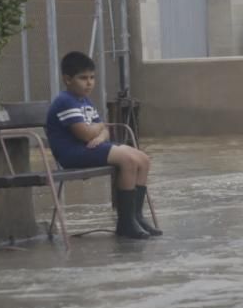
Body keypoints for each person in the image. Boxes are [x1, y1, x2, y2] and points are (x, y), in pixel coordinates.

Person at [45, 51, 162, 239]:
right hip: (72, 154)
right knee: (128, 160)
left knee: (143, 159)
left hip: (90, 148)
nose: (89, 82)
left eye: (92, 77)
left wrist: (100, 137)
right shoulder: (65, 102)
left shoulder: (85, 102)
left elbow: (104, 131)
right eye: (83, 78)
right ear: (67, 80)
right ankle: (125, 223)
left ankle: (136, 216)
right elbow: (85, 133)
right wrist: (99, 129)